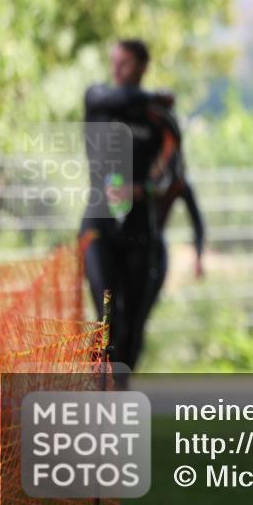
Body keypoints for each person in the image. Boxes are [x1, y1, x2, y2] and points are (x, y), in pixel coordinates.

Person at [80, 39, 172, 380]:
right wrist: (154, 96)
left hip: (140, 231)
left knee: (133, 319)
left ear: (143, 66)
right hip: (99, 227)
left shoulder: (158, 118)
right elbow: (118, 96)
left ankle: (119, 394)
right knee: (106, 316)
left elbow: (172, 178)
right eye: (114, 61)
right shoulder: (100, 99)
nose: (117, 69)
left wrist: (141, 189)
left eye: (127, 63)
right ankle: (98, 388)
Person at [143, 102, 206, 320]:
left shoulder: (178, 180)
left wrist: (198, 256)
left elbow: (197, 220)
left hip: (155, 244)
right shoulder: (139, 171)